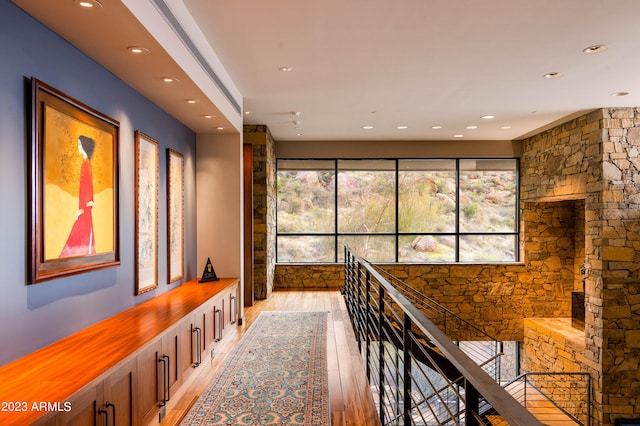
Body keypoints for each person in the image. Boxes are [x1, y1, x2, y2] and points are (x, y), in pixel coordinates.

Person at [59, 135, 96, 258]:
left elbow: (87, 189)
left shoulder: (86, 165)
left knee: (78, 238)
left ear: (84, 147)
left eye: (79, 144)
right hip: (84, 208)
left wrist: (82, 209)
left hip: (84, 210)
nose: (78, 147)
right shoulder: (85, 164)